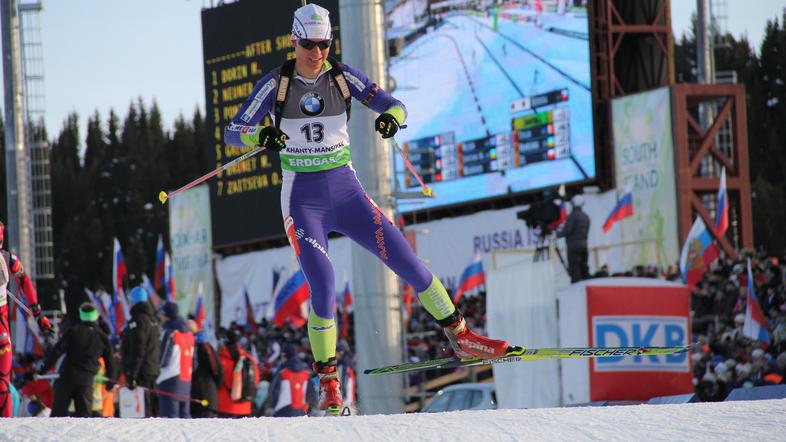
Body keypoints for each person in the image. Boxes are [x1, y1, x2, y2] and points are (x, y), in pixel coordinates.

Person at [224, 3, 509, 415]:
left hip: (347, 193)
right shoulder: (277, 85)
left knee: (409, 262)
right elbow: (234, 131)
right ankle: (328, 383)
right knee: (323, 286)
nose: (317, 53)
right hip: (304, 201)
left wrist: (390, 120)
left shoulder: (341, 75)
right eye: (308, 44)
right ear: (293, 40)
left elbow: (395, 105)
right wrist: (261, 134)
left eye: (323, 44)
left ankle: (463, 336)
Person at [0, 220, 52, 417]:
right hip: (3, 331)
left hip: (2, 331)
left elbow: (25, 280)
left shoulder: (8, 260)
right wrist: (38, 315)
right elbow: (25, 280)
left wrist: (38, 315)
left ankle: (5, 430)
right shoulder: (8, 259)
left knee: (3, 385)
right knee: (3, 385)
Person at [39, 302, 115, 417]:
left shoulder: (73, 331)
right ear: (96, 315)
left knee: (56, 416)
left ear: (81, 315)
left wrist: (44, 369)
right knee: (83, 419)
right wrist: (111, 381)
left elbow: (57, 351)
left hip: (66, 378)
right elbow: (110, 362)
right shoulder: (102, 337)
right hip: (86, 381)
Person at [121, 286, 161, 417]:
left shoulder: (138, 321)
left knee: (143, 411)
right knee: (151, 409)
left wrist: (132, 374)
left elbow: (138, 348)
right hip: (153, 369)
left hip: (142, 373)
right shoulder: (154, 319)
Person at [156, 301, 195, 418]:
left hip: (169, 382)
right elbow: (195, 362)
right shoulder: (189, 335)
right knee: (184, 422)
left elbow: (163, 361)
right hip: (186, 383)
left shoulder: (170, 333)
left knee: (170, 425)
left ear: (165, 315)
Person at [216, 329, 260, 417]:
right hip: (245, 407)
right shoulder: (249, 359)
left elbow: (216, 381)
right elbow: (256, 380)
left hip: (225, 407)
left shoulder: (220, 359)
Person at [264, 344, 314, 417]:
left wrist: (272, 405)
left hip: (282, 409)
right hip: (301, 410)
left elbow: (273, 391)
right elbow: (310, 393)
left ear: (284, 355)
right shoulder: (305, 371)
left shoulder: (282, 371)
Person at [190, 321, 223, 418]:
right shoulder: (195, 346)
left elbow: (218, 370)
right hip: (196, 397)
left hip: (205, 396)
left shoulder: (205, 347)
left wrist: (214, 388)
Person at [558, 195, 591, 282]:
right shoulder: (586, 217)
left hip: (573, 246)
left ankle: (576, 289)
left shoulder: (572, 216)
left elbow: (566, 231)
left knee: (575, 269)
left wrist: (557, 235)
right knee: (583, 268)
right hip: (584, 245)